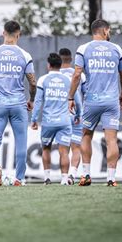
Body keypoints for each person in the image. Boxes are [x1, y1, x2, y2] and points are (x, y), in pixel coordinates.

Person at [68, 19, 122, 187]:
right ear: (104, 31)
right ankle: (111, 178)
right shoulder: (116, 49)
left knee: (86, 135)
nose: (109, 33)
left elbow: (76, 75)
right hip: (111, 101)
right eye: (109, 31)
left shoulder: (83, 49)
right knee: (111, 140)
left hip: (92, 101)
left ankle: (86, 175)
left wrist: (71, 97)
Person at [0, 20, 36, 186]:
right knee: (21, 141)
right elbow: (32, 83)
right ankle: (19, 178)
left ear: (3, 33)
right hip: (18, 104)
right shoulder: (25, 55)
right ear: (18, 35)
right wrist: (31, 100)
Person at [31, 53, 81, 185]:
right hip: (65, 122)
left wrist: (34, 119)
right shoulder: (68, 80)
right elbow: (77, 100)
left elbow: (38, 101)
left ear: (48, 65)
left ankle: (47, 178)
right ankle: (64, 179)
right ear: (60, 65)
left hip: (49, 122)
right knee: (64, 151)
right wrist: (78, 115)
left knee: (46, 148)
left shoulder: (43, 80)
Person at [59, 47, 87, 184]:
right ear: (71, 60)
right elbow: (85, 94)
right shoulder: (80, 75)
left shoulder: (54, 75)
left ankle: (64, 178)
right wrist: (80, 113)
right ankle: (72, 174)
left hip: (61, 115)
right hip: (76, 114)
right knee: (76, 147)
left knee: (63, 148)